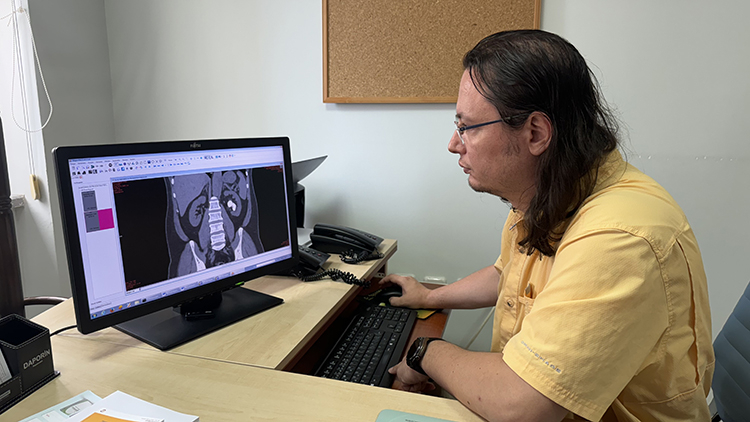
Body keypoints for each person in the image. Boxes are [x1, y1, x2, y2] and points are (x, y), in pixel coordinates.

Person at [381, 30, 714, 422]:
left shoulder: (619, 238)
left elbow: (523, 404)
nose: (455, 143)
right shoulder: (548, 192)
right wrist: (429, 296)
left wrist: (425, 353)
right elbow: (506, 273)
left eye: (467, 126)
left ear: (536, 133)